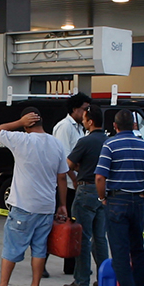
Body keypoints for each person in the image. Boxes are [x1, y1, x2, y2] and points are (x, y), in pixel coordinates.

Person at [0, 108, 68, 286]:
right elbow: (62, 177)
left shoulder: (21, 140)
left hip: (23, 205)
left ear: (26, 123)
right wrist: (62, 204)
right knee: (39, 249)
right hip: (46, 207)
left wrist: (18, 122)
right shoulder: (56, 144)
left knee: (12, 247)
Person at [95, 109, 144, 286]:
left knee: (120, 250)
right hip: (137, 201)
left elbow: (100, 177)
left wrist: (102, 197)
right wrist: (143, 193)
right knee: (137, 248)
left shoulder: (110, 145)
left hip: (116, 200)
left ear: (114, 126)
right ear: (134, 125)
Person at [64, 105, 109, 286]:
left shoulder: (85, 142)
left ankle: (82, 280)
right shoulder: (108, 141)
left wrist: (78, 171)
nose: (82, 121)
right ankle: (104, 277)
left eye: (84, 119)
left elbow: (68, 163)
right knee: (100, 238)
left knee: (82, 237)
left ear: (90, 122)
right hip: (104, 192)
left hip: (86, 190)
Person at [53, 93, 90, 276]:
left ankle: (72, 265)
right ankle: (41, 263)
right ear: (74, 109)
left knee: (75, 225)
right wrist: (75, 179)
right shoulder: (64, 127)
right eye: (84, 108)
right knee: (61, 223)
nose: (86, 113)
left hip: (76, 184)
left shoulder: (80, 128)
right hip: (67, 184)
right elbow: (64, 158)